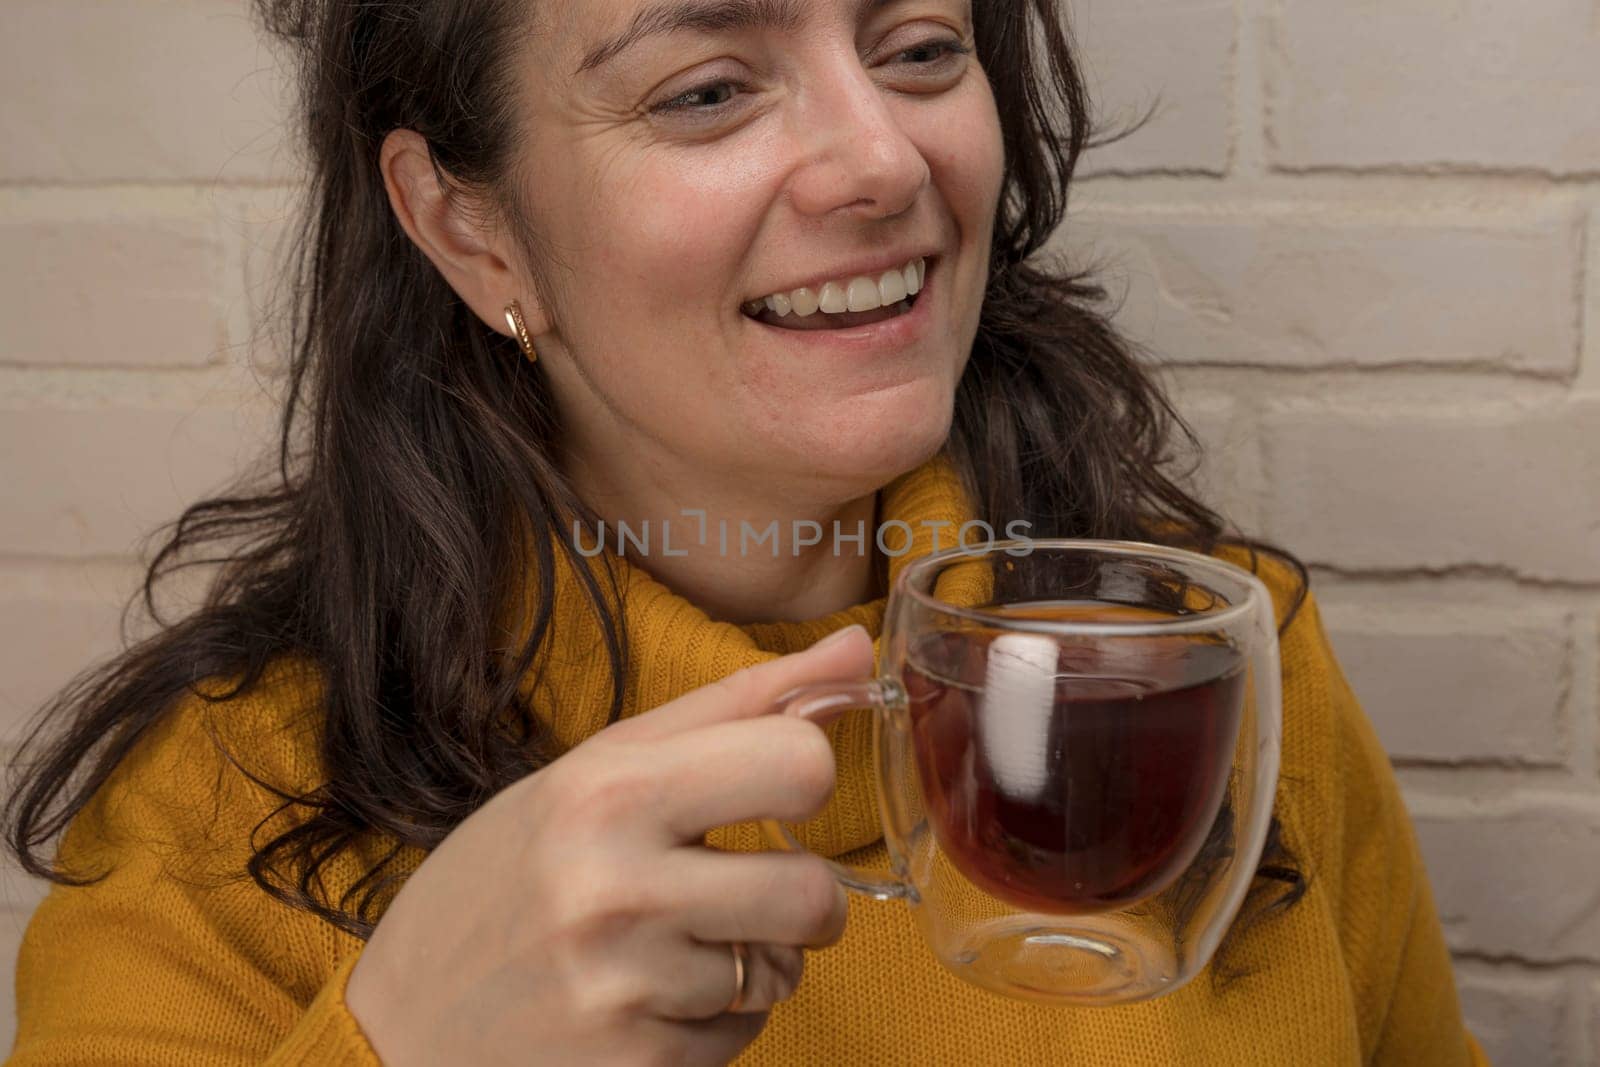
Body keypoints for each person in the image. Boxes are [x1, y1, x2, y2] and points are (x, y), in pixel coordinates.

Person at [3, 0, 1488, 1063]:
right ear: (471, 226)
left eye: (919, 50)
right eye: (706, 88)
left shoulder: (1210, 652)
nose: (884, 165)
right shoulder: (213, 825)